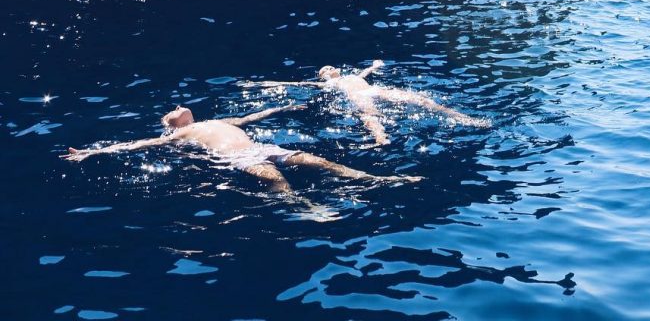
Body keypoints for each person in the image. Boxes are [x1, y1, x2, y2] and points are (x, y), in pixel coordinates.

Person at [63, 103, 421, 216]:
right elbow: (137, 145)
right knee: (277, 182)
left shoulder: (214, 120)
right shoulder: (178, 134)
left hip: (264, 147)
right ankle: (308, 208)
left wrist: (284, 106)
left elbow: (252, 119)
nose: (176, 107)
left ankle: (379, 180)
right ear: (172, 125)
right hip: (237, 159)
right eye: (172, 112)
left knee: (319, 162)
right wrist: (95, 151)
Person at [244, 61, 490, 146]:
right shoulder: (327, 85)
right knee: (369, 117)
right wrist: (263, 83)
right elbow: (297, 85)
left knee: (421, 99)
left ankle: (463, 117)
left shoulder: (351, 76)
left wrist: (375, 65)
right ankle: (381, 138)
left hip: (374, 90)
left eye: (330, 67)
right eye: (324, 70)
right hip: (359, 97)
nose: (328, 70)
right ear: (323, 77)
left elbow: (365, 74)